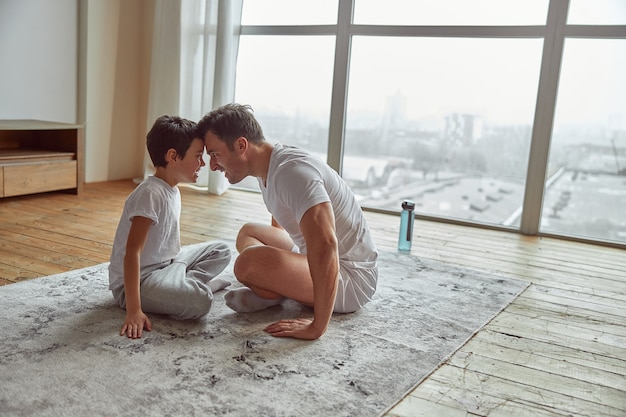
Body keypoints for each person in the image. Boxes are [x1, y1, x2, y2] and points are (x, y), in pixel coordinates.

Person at [197, 104, 378, 340]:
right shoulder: (269, 167)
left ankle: (274, 292)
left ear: (241, 145)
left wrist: (317, 327)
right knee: (248, 233)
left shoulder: (293, 173)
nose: (212, 165)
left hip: (350, 278)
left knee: (247, 264)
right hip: (310, 256)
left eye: (215, 154)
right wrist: (276, 273)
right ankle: (274, 292)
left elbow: (325, 246)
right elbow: (283, 217)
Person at [109, 115, 232, 339]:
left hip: (168, 265)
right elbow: (132, 253)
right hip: (138, 283)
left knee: (222, 250)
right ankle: (192, 287)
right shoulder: (150, 193)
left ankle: (184, 283)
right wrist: (134, 310)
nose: (203, 163)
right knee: (199, 303)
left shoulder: (172, 189)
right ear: (173, 156)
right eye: (197, 156)